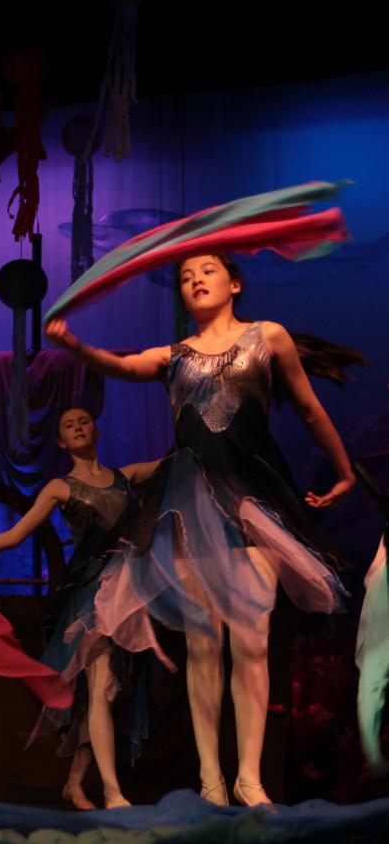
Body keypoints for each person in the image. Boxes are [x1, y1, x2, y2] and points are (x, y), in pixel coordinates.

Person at [45, 253, 354, 806]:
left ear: (234, 284)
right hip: (189, 506)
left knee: (252, 641)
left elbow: (309, 410)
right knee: (204, 644)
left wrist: (345, 473)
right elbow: (124, 367)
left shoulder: (268, 336)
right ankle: (212, 779)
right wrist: (74, 344)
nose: (195, 280)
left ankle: (249, 778)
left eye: (207, 271)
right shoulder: (175, 355)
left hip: (253, 499)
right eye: (186, 277)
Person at [0, 407, 160, 809]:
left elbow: (180, 461)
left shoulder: (126, 477)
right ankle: (112, 792)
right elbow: (15, 534)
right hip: (90, 594)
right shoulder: (61, 488)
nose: (77, 427)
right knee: (101, 685)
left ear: (96, 430)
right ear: (60, 442)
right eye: (68, 426)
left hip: (129, 593)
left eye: (83, 421)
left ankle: (74, 784)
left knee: (106, 690)